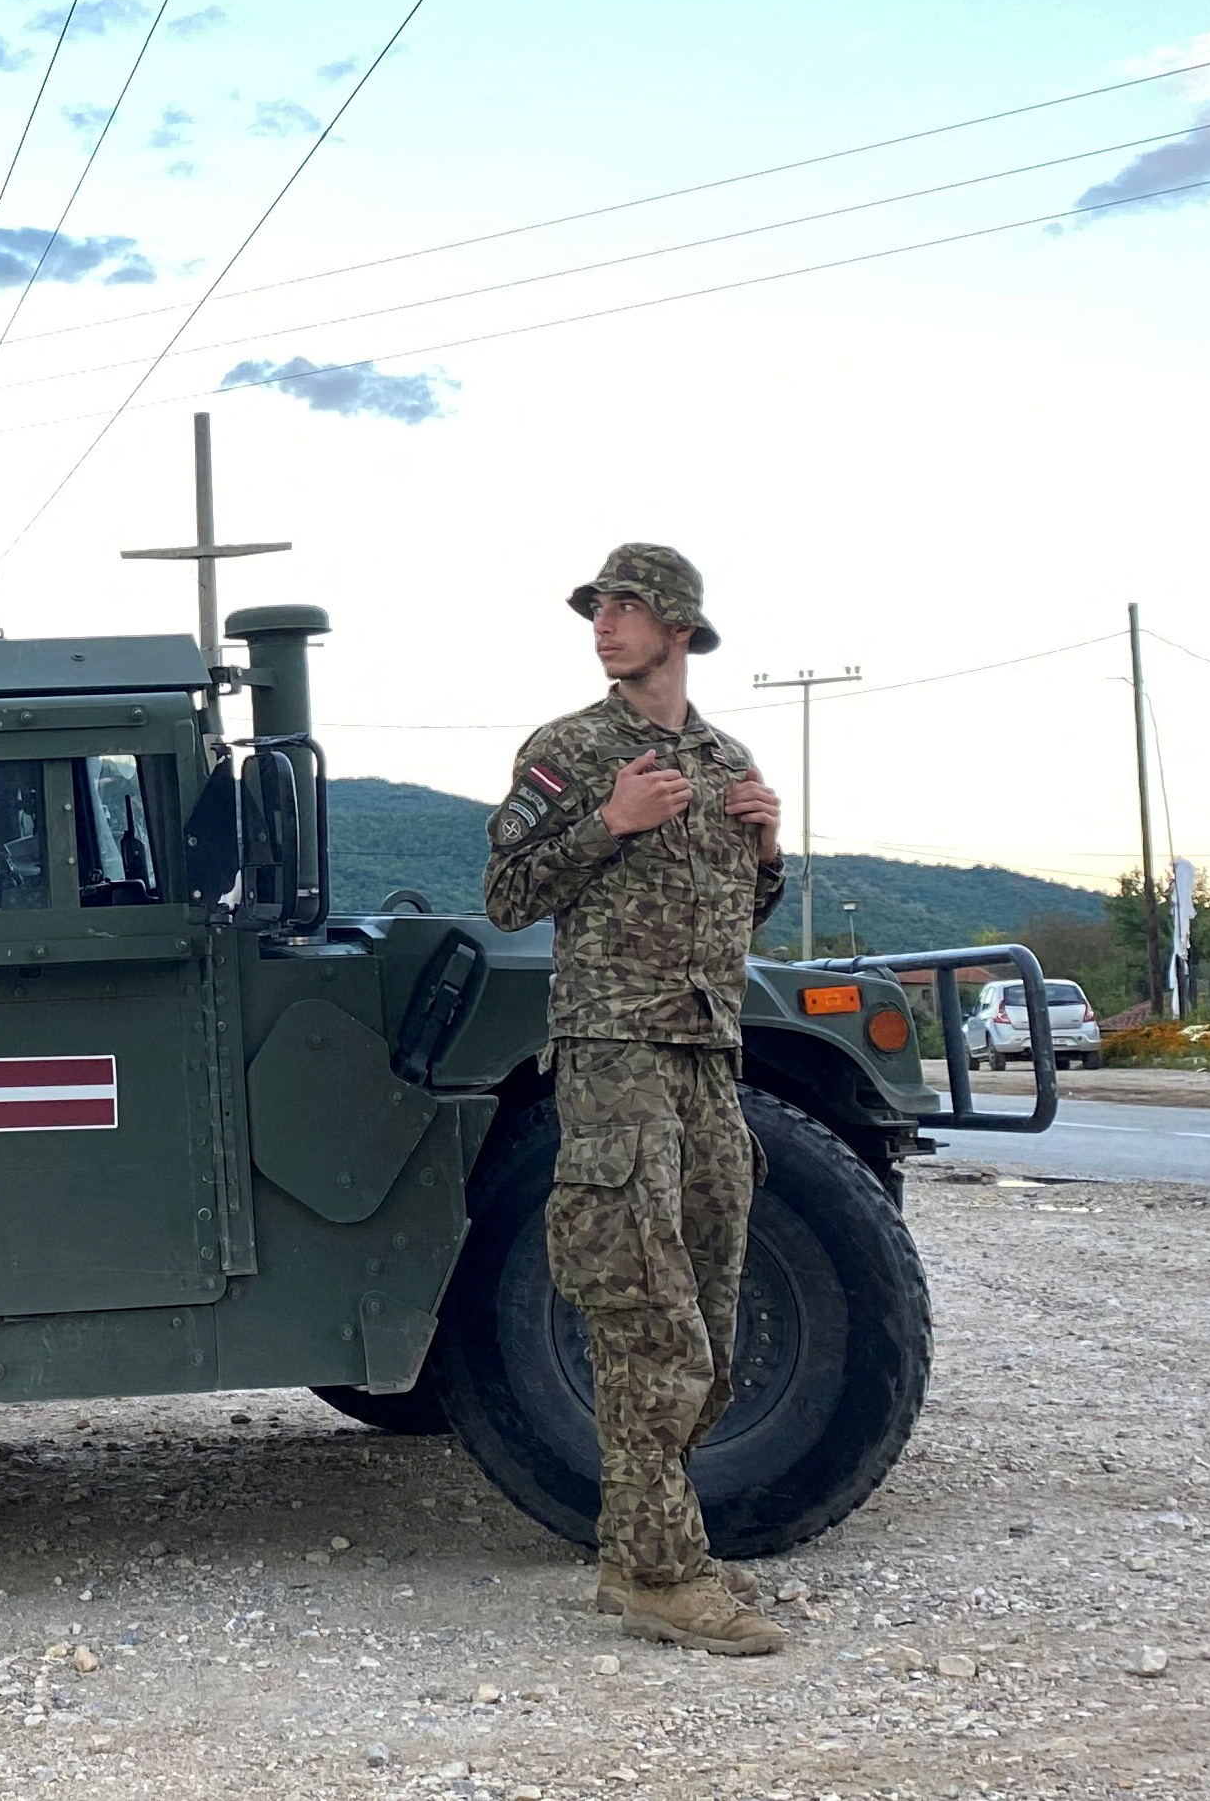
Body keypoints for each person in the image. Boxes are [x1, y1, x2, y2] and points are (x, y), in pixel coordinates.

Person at [480, 543, 791, 1657]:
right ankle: (656, 1571)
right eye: (598, 609)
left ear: (677, 628)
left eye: (624, 609)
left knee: (708, 1307)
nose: (603, 625)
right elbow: (508, 891)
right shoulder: (571, 752)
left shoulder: (722, 756)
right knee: (638, 1306)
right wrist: (605, 823)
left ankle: (651, 1545)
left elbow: (732, 920)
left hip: (707, 1052)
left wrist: (763, 850)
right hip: (612, 1050)